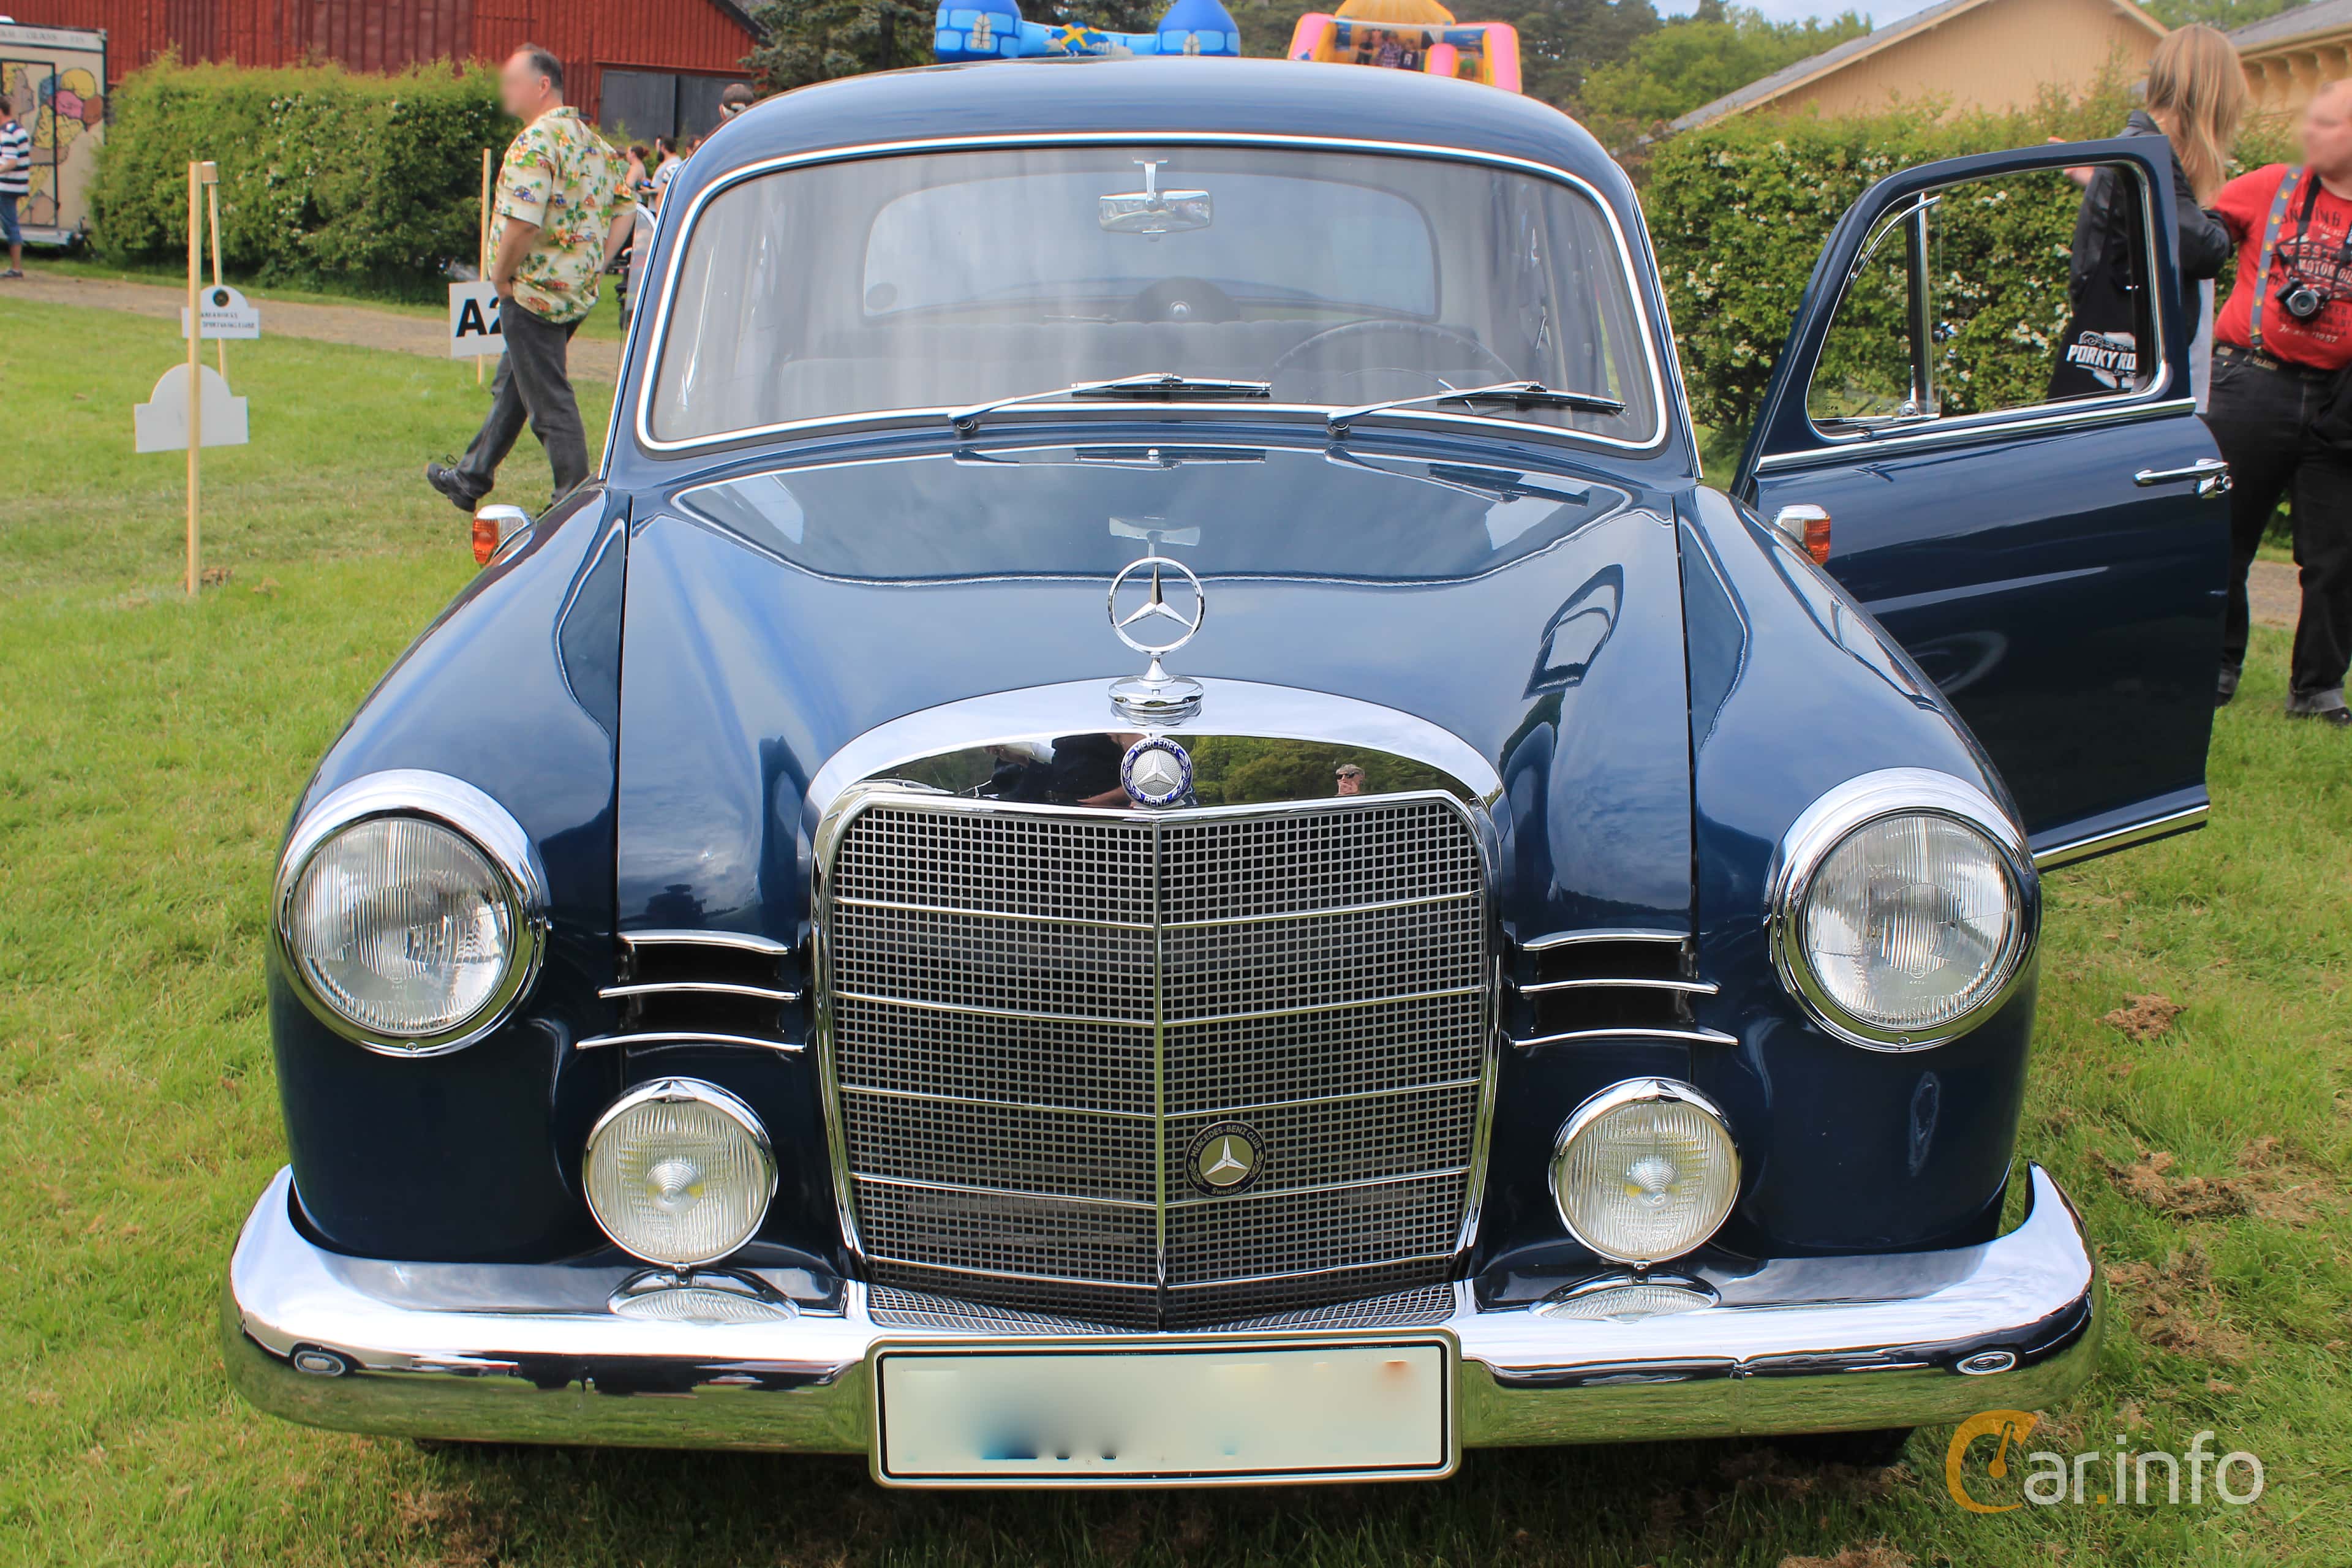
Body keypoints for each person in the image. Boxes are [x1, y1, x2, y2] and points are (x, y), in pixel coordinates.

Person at [425, 46, 635, 513]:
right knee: (516, 387)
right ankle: (470, 477)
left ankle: (574, 500)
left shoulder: (534, 143)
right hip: (574, 293)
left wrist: (500, 277)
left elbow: (523, 223)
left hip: (533, 292)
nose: (506, 91)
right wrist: (596, 264)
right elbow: (625, 209)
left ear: (543, 85)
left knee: (550, 401)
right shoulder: (594, 144)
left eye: (512, 81)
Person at [2206, 77, 2352, 726]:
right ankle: (2217, 666)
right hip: (2253, 380)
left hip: (2340, 399)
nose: (2309, 134)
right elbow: (2193, 233)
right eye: (2312, 121)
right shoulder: (2271, 186)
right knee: (2225, 538)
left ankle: (2318, 688)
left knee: (2337, 553)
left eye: (2327, 125)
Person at [2052, 26, 2241, 407]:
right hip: (2143, 380)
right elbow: (2204, 250)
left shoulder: (2138, 153)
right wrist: (2226, 219)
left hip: (2127, 368)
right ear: (2213, 94)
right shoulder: (2148, 158)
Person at [0, 94, 29, 279]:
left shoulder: (7, 133)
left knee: (10, 225)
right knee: (10, 223)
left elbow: (11, 162)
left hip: (6, 186)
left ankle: (16, 268)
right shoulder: (18, 129)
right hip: (16, 185)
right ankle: (16, 267)